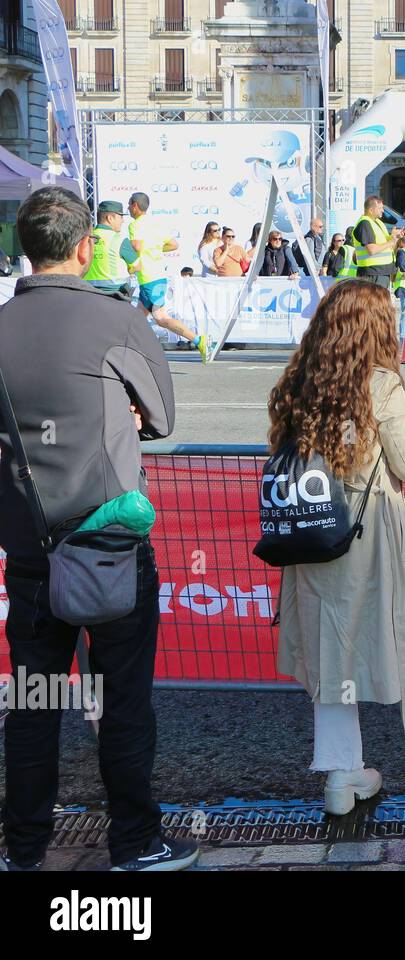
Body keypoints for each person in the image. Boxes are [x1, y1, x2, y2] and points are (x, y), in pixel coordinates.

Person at [0, 186, 195, 871]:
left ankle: (22, 850)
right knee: (121, 704)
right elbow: (164, 419)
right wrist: (123, 413)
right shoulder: (118, 319)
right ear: (86, 249)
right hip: (110, 546)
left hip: (30, 549)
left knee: (32, 706)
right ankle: (136, 844)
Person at [268, 281, 405, 816]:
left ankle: (342, 774)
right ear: (375, 329)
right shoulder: (381, 384)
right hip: (374, 531)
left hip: (313, 529)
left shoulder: (299, 381)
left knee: (329, 647)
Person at [128, 192, 208, 359]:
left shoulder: (135, 224)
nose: (128, 208)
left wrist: (126, 252)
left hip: (150, 278)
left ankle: (199, 340)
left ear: (135, 205)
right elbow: (174, 244)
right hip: (156, 277)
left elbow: (136, 247)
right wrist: (155, 249)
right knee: (136, 319)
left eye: (129, 205)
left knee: (161, 318)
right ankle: (132, 352)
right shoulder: (156, 224)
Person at [85, 199, 137, 295]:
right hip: (115, 293)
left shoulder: (86, 238)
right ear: (110, 218)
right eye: (120, 216)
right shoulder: (120, 239)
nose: (123, 221)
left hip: (88, 292)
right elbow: (137, 266)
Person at [353, 196, 398, 287]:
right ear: (371, 210)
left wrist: (394, 237)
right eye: (380, 208)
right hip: (372, 273)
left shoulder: (377, 222)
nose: (383, 211)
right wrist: (390, 242)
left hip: (380, 272)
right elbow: (372, 250)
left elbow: (387, 246)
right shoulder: (365, 223)